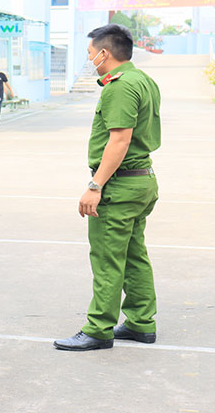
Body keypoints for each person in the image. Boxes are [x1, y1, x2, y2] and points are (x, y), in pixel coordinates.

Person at [54, 24, 161, 351]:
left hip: (120, 185)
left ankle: (99, 328)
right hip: (141, 181)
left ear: (104, 53)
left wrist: (95, 185)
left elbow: (120, 140)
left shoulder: (120, 86)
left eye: (90, 54)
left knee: (107, 259)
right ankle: (141, 322)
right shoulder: (143, 80)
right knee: (133, 255)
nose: (90, 61)